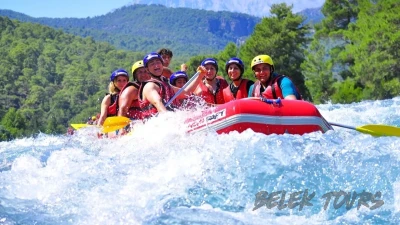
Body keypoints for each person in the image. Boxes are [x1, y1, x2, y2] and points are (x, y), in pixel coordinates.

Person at [139, 52, 206, 117]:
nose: (156, 65)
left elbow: (186, 92)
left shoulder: (165, 84)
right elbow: (158, 103)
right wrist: (170, 119)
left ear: (162, 65)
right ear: (147, 69)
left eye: (158, 62)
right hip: (156, 124)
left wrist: (200, 76)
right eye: (152, 64)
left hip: (168, 119)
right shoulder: (150, 86)